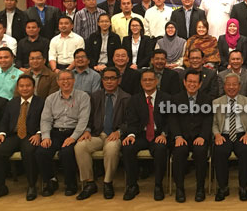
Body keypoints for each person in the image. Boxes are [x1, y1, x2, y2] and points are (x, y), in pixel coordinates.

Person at [74, 67, 131, 200]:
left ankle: (107, 182)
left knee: (111, 148)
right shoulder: (95, 96)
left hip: (115, 135)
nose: (109, 82)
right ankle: (90, 183)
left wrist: (119, 131)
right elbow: (87, 117)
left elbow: (131, 121)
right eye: (106, 78)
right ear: (102, 80)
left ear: (119, 80)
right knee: (80, 146)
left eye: (113, 78)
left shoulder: (127, 98)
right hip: (97, 134)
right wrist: (87, 130)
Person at [36, 70, 91, 197]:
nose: (65, 82)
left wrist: (73, 137)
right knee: (41, 152)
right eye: (62, 79)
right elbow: (45, 119)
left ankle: (71, 184)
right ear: (58, 82)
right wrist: (45, 137)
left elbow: (83, 120)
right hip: (55, 132)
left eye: (68, 79)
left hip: (74, 132)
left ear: (74, 80)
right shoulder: (51, 98)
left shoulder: (83, 96)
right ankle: (51, 181)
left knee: (66, 152)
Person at [0, 75, 43, 201]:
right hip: (13, 135)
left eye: (28, 85)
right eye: (21, 86)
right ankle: (0, 186)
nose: (25, 88)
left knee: (28, 152)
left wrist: (39, 133)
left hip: (31, 135)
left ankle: (31, 186)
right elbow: (4, 121)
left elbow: (45, 120)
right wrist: (1, 134)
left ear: (33, 87)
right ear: (17, 88)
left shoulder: (41, 102)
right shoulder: (12, 102)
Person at [121, 69, 172, 201]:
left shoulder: (166, 98)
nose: (148, 82)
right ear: (141, 82)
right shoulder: (134, 99)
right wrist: (131, 134)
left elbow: (170, 120)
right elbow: (131, 121)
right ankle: (132, 185)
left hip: (158, 135)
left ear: (157, 81)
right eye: (145, 80)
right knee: (128, 147)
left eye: (151, 79)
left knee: (161, 149)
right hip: (141, 135)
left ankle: (158, 186)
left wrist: (164, 134)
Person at [168, 70, 212, 202]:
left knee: (200, 151)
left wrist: (203, 136)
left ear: (200, 84)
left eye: (195, 82)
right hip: (182, 137)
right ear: (184, 82)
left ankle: (200, 188)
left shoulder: (207, 99)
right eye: (189, 81)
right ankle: (180, 188)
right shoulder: (175, 99)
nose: (192, 84)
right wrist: (178, 136)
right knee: (179, 151)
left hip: (199, 137)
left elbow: (208, 121)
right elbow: (173, 120)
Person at [212, 73, 247, 201]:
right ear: (224, 86)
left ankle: (243, 187)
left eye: (234, 84)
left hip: (241, 134)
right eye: (228, 84)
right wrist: (217, 135)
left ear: (239, 86)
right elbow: (214, 123)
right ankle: (223, 187)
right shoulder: (216, 102)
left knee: (246, 151)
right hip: (223, 134)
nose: (231, 87)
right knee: (219, 151)